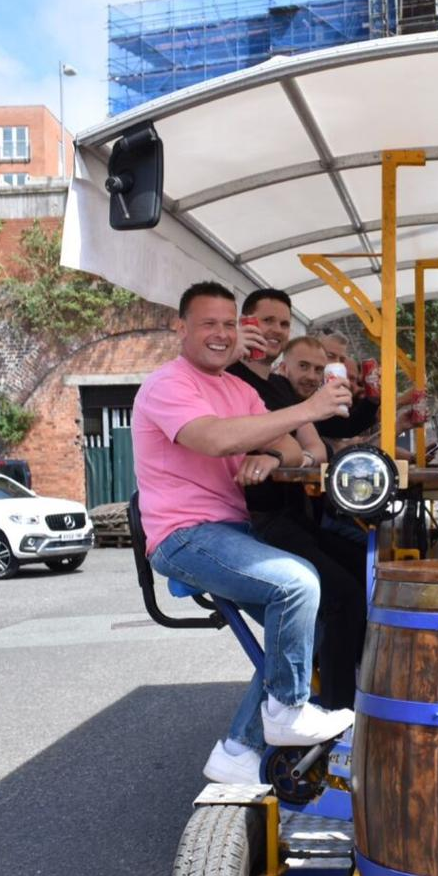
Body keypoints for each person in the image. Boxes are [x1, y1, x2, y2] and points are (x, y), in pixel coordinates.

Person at [132, 282, 356, 786]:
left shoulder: (239, 389)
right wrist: (309, 410)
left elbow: (298, 453)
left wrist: (271, 452)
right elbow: (210, 437)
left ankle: (240, 747)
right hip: (184, 535)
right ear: (181, 328)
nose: (219, 334)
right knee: (297, 582)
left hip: (232, 530)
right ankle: (286, 714)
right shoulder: (168, 384)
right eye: (207, 323)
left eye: (228, 324)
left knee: (318, 617)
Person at [229, 293, 369, 694]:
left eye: (283, 324)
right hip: (261, 519)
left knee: (370, 569)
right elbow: (289, 444)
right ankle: (340, 708)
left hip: (296, 515)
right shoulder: (231, 380)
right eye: (265, 321)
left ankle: (355, 674)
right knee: (341, 596)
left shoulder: (276, 385)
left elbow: (315, 448)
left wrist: (290, 456)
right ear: (245, 324)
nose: (274, 331)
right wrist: (289, 453)